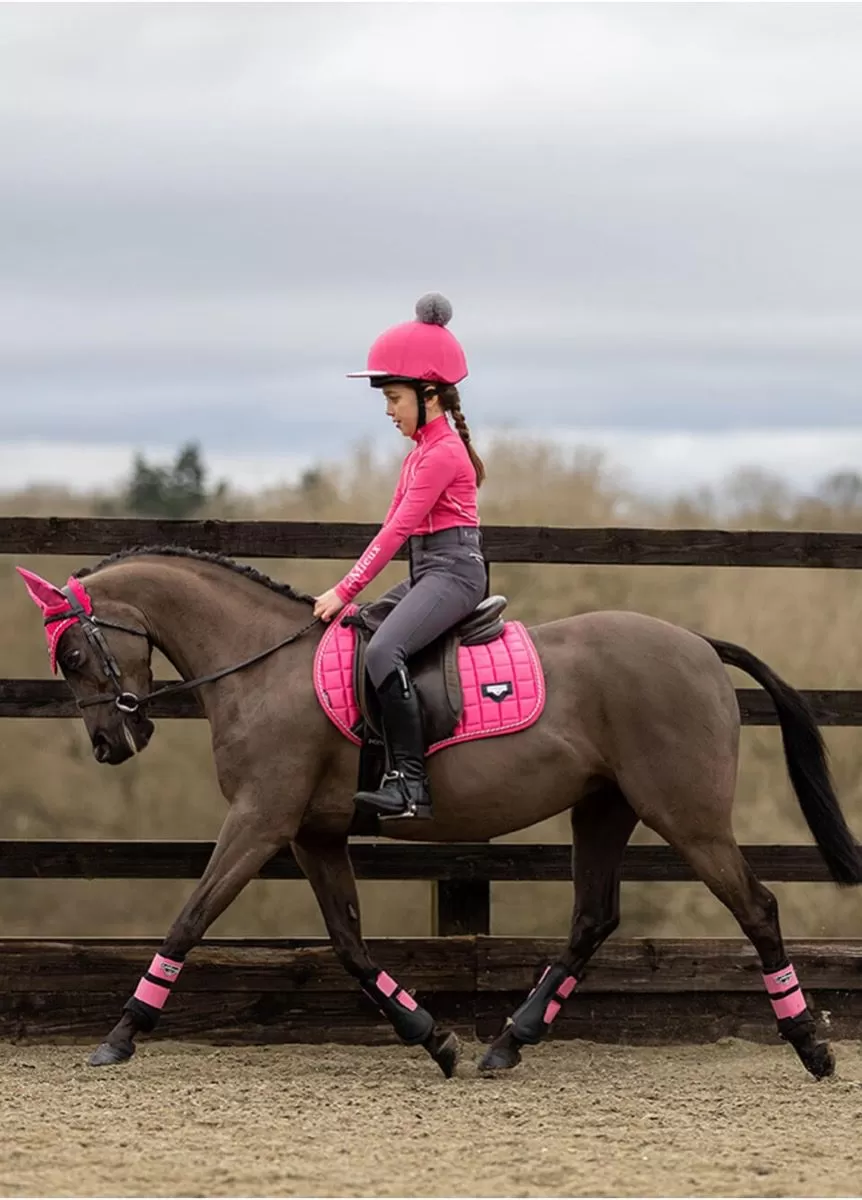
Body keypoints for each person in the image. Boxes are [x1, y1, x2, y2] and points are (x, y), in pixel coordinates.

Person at [313, 293, 487, 820]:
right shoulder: (421, 454)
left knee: (384, 651)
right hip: (428, 571)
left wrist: (343, 590)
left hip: (453, 574)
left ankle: (412, 784)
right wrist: (351, 601)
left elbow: (394, 533)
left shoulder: (441, 455)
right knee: (364, 630)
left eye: (394, 398)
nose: (388, 411)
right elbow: (394, 526)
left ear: (428, 393)